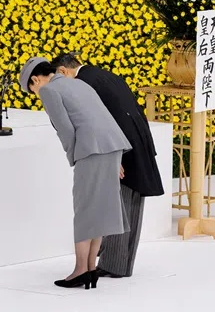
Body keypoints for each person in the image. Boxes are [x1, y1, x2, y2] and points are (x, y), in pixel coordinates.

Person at [18, 57, 131, 290]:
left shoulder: (49, 90)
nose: (36, 93)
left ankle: (81, 269)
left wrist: (73, 156)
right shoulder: (78, 83)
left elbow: (65, 129)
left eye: (32, 89)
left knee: (84, 209)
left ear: (35, 80)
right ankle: (90, 268)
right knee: (99, 209)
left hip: (90, 150)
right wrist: (114, 156)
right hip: (112, 146)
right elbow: (104, 117)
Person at [51, 53, 164, 279]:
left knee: (116, 206)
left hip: (122, 146)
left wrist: (116, 157)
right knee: (130, 205)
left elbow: (104, 120)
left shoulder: (84, 82)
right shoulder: (102, 75)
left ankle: (114, 264)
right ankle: (119, 262)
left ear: (63, 71)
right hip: (138, 141)